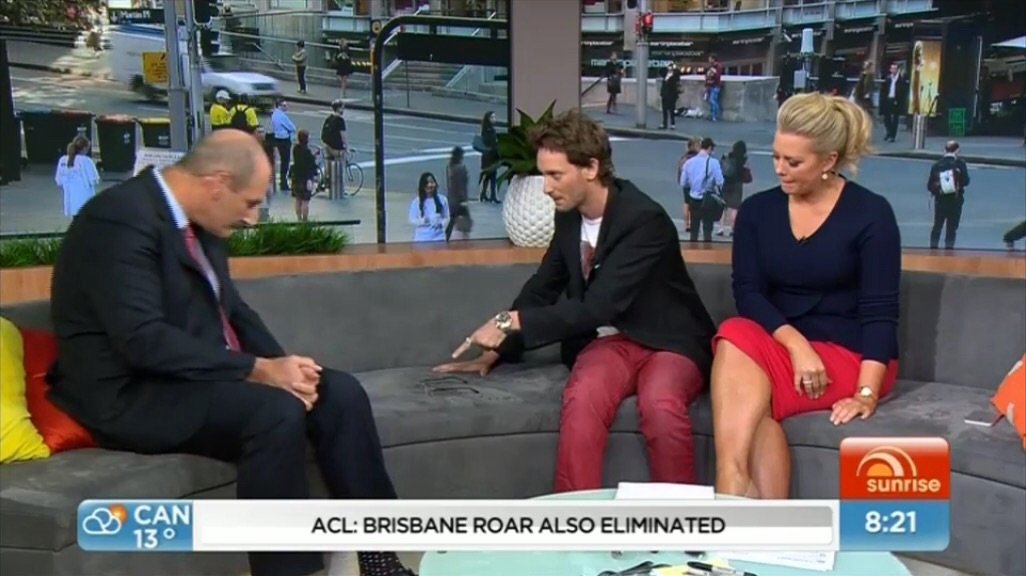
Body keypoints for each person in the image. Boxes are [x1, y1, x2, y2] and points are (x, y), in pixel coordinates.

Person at [46, 129, 415, 576]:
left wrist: (286, 371)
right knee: (273, 413)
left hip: (191, 378)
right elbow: (143, 340)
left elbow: (233, 311)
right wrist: (258, 370)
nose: (253, 218)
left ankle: (379, 557)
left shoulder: (199, 221)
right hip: (129, 394)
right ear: (217, 183)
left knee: (339, 393)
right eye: (250, 203)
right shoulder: (117, 221)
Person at [434, 110, 716, 492]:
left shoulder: (644, 220)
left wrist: (508, 322)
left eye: (555, 175)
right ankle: (573, 517)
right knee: (582, 399)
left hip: (669, 341)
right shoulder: (569, 217)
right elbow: (543, 286)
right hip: (611, 342)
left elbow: (598, 307)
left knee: (659, 403)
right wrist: (498, 350)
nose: (546, 188)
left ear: (591, 168)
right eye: (543, 175)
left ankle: (680, 519)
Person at [710, 92, 901, 500]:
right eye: (776, 157)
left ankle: (733, 497)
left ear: (829, 160)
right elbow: (748, 293)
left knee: (744, 395)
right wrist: (797, 346)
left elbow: (880, 312)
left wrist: (866, 393)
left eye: (793, 162)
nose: (780, 169)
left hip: (849, 353)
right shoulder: (758, 212)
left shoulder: (871, 214)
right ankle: (739, 490)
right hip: (782, 344)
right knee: (735, 332)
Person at [926, 140, 970, 250]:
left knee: (937, 225)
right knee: (951, 228)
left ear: (944, 150)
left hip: (940, 200)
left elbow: (929, 185)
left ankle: (933, 248)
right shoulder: (960, 164)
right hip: (955, 199)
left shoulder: (937, 165)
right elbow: (966, 181)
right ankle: (949, 250)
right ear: (957, 150)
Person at [680, 137, 724, 243]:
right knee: (707, 228)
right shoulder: (714, 163)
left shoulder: (689, 162)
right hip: (707, 199)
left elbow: (683, 183)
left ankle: (693, 248)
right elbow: (720, 182)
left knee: (694, 228)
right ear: (709, 148)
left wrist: (693, 185)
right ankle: (707, 248)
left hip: (693, 198)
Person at [55, 135, 99, 217]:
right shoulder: (86, 160)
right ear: (85, 148)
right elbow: (94, 180)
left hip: (69, 199)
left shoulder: (62, 160)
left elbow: (59, 181)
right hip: (85, 199)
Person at [408, 171, 449, 242]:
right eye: (426, 183)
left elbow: (446, 217)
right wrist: (424, 220)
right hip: (421, 239)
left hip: (439, 238)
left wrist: (440, 223)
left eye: (432, 182)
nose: (429, 185)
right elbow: (412, 219)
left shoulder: (443, 199)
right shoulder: (416, 201)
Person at [290, 129, 318, 222]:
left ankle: (299, 219)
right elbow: (310, 165)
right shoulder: (307, 151)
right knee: (305, 201)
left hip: (296, 177)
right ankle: (305, 220)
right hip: (305, 178)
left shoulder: (296, 149)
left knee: (298, 199)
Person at [444, 146, 471, 241]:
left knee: (452, 220)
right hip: (459, 200)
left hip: (451, 199)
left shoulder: (450, 166)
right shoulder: (461, 168)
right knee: (466, 219)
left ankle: (447, 236)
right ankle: (465, 237)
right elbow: (461, 185)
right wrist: (463, 200)